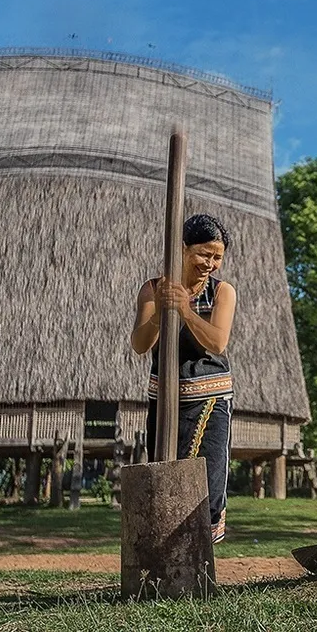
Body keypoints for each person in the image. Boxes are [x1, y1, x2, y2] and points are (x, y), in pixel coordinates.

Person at [130, 213, 237, 543]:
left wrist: (186, 311)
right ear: (183, 248)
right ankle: (168, 555)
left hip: (209, 397)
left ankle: (201, 556)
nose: (210, 263)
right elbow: (140, 344)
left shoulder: (222, 292)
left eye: (217, 257)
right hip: (164, 399)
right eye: (204, 253)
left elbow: (218, 342)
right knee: (163, 477)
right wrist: (162, 313)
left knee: (207, 483)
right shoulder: (154, 288)